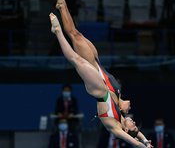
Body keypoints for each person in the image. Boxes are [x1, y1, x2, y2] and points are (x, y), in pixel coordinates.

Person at [49, 13, 152, 148]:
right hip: (100, 78)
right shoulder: (121, 115)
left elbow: (133, 141)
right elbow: (137, 134)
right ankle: (61, 12)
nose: (133, 122)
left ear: (126, 130)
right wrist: (145, 140)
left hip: (98, 90)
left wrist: (143, 146)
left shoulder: (115, 128)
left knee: (76, 60)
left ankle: (58, 32)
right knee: (77, 41)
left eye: (133, 125)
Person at [54, 0, 131, 114]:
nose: (130, 108)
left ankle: (61, 6)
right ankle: (62, 5)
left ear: (120, 109)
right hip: (96, 61)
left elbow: (115, 125)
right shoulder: (118, 93)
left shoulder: (112, 100)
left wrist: (125, 123)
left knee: (74, 35)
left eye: (127, 110)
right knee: (76, 34)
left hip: (91, 64)